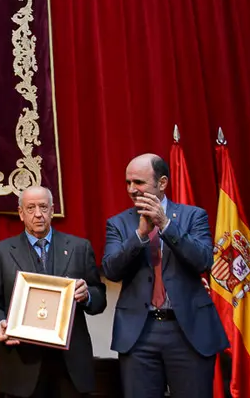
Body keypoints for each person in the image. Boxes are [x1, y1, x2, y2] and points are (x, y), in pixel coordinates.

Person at [102, 153, 228, 397]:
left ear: (162, 183)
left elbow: (203, 260)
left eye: (138, 182)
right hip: (139, 333)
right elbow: (111, 270)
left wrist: (167, 225)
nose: (131, 189)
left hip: (188, 331)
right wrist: (139, 235)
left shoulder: (194, 216)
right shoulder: (118, 223)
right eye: (128, 183)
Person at [0, 186, 107, 398]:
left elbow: (99, 298)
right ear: (20, 213)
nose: (38, 213)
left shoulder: (79, 247)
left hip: (70, 365)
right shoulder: (0, 252)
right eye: (30, 208)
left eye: (43, 207)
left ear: (53, 210)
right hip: (23, 364)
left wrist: (87, 295)